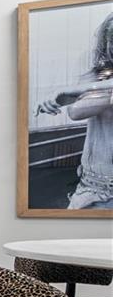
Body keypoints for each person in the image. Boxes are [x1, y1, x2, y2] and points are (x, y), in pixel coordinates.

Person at [36, 11, 113, 210]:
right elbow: (76, 111)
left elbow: (77, 100)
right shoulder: (95, 75)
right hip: (90, 189)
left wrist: (76, 90)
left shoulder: (92, 83)